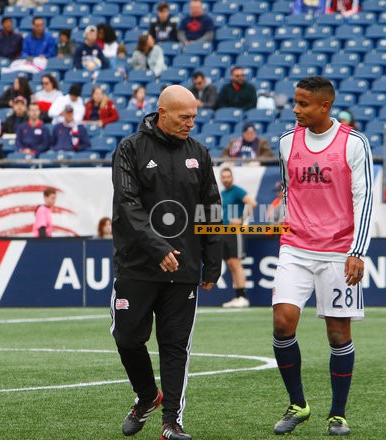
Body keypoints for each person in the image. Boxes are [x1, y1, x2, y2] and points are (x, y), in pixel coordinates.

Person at [111, 84, 222, 440]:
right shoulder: (130, 149)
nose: (191, 123)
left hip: (184, 269)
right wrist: (158, 248)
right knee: (127, 338)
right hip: (137, 265)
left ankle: (172, 422)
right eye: (184, 117)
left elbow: (211, 208)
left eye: (194, 117)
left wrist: (213, 260)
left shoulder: (199, 153)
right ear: (163, 113)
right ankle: (147, 396)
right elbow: (128, 205)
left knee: (175, 347)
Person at [271, 76, 373, 437]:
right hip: (295, 246)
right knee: (282, 322)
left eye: (303, 104)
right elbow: (288, 191)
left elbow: (364, 198)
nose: (296, 109)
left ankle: (337, 414)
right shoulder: (286, 142)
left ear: (324, 106)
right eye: (295, 102)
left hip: (338, 251)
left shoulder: (354, 143)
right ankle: (298, 405)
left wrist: (357, 251)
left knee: (337, 334)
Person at [219, 167, 257, 308]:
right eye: (224, 177)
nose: (226, 179)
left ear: (232, 177)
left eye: (228, 176)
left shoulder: (237, 191)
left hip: (235, 231)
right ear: (221, 179)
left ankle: (243, 297)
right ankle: (238, 296)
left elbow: (253, 203)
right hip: (225, 232)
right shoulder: (223, 193)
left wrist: (241, 219)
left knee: (236, 263)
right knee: (230, 263)